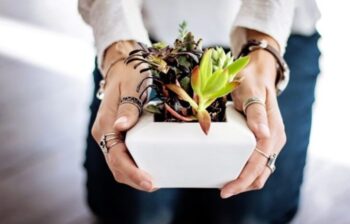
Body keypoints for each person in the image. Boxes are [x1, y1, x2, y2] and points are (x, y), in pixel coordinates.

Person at [78, 0, 321, 223]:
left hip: (278, 35)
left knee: (252, 214)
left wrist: (263, 44)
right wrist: (118, 47)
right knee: (135, 211)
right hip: (147, 39)